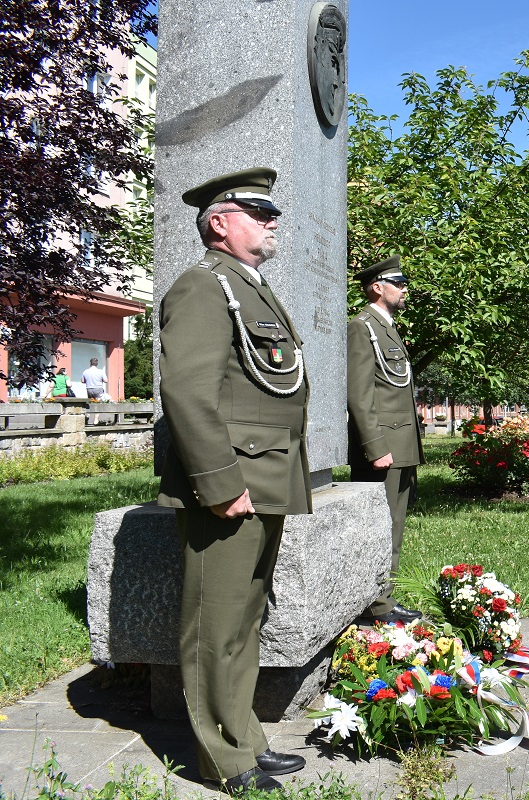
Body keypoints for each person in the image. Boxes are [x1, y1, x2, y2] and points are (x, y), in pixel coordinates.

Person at [157, 168, 311, 795]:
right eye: (258, 209)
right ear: (219, 222)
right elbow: (187, 392)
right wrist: (220, 482)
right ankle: (223, 757)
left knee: (245, 619)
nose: (272, 218)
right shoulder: (203, 286)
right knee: (215, 624)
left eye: (273, 209)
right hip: (231, 482)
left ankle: (243, 734)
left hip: (264, 473)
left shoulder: (249, 287)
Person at [347, 256, 426, 624]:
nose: (405, 288)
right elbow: (360, 395)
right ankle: (376, 606)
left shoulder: (387, 328)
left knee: (393, 528)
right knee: (380, 530)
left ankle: (384, 599)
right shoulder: (362, 328)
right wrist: (375, 447)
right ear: (378, 287)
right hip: (384, 449)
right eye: (400, 282)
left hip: (402, 446)